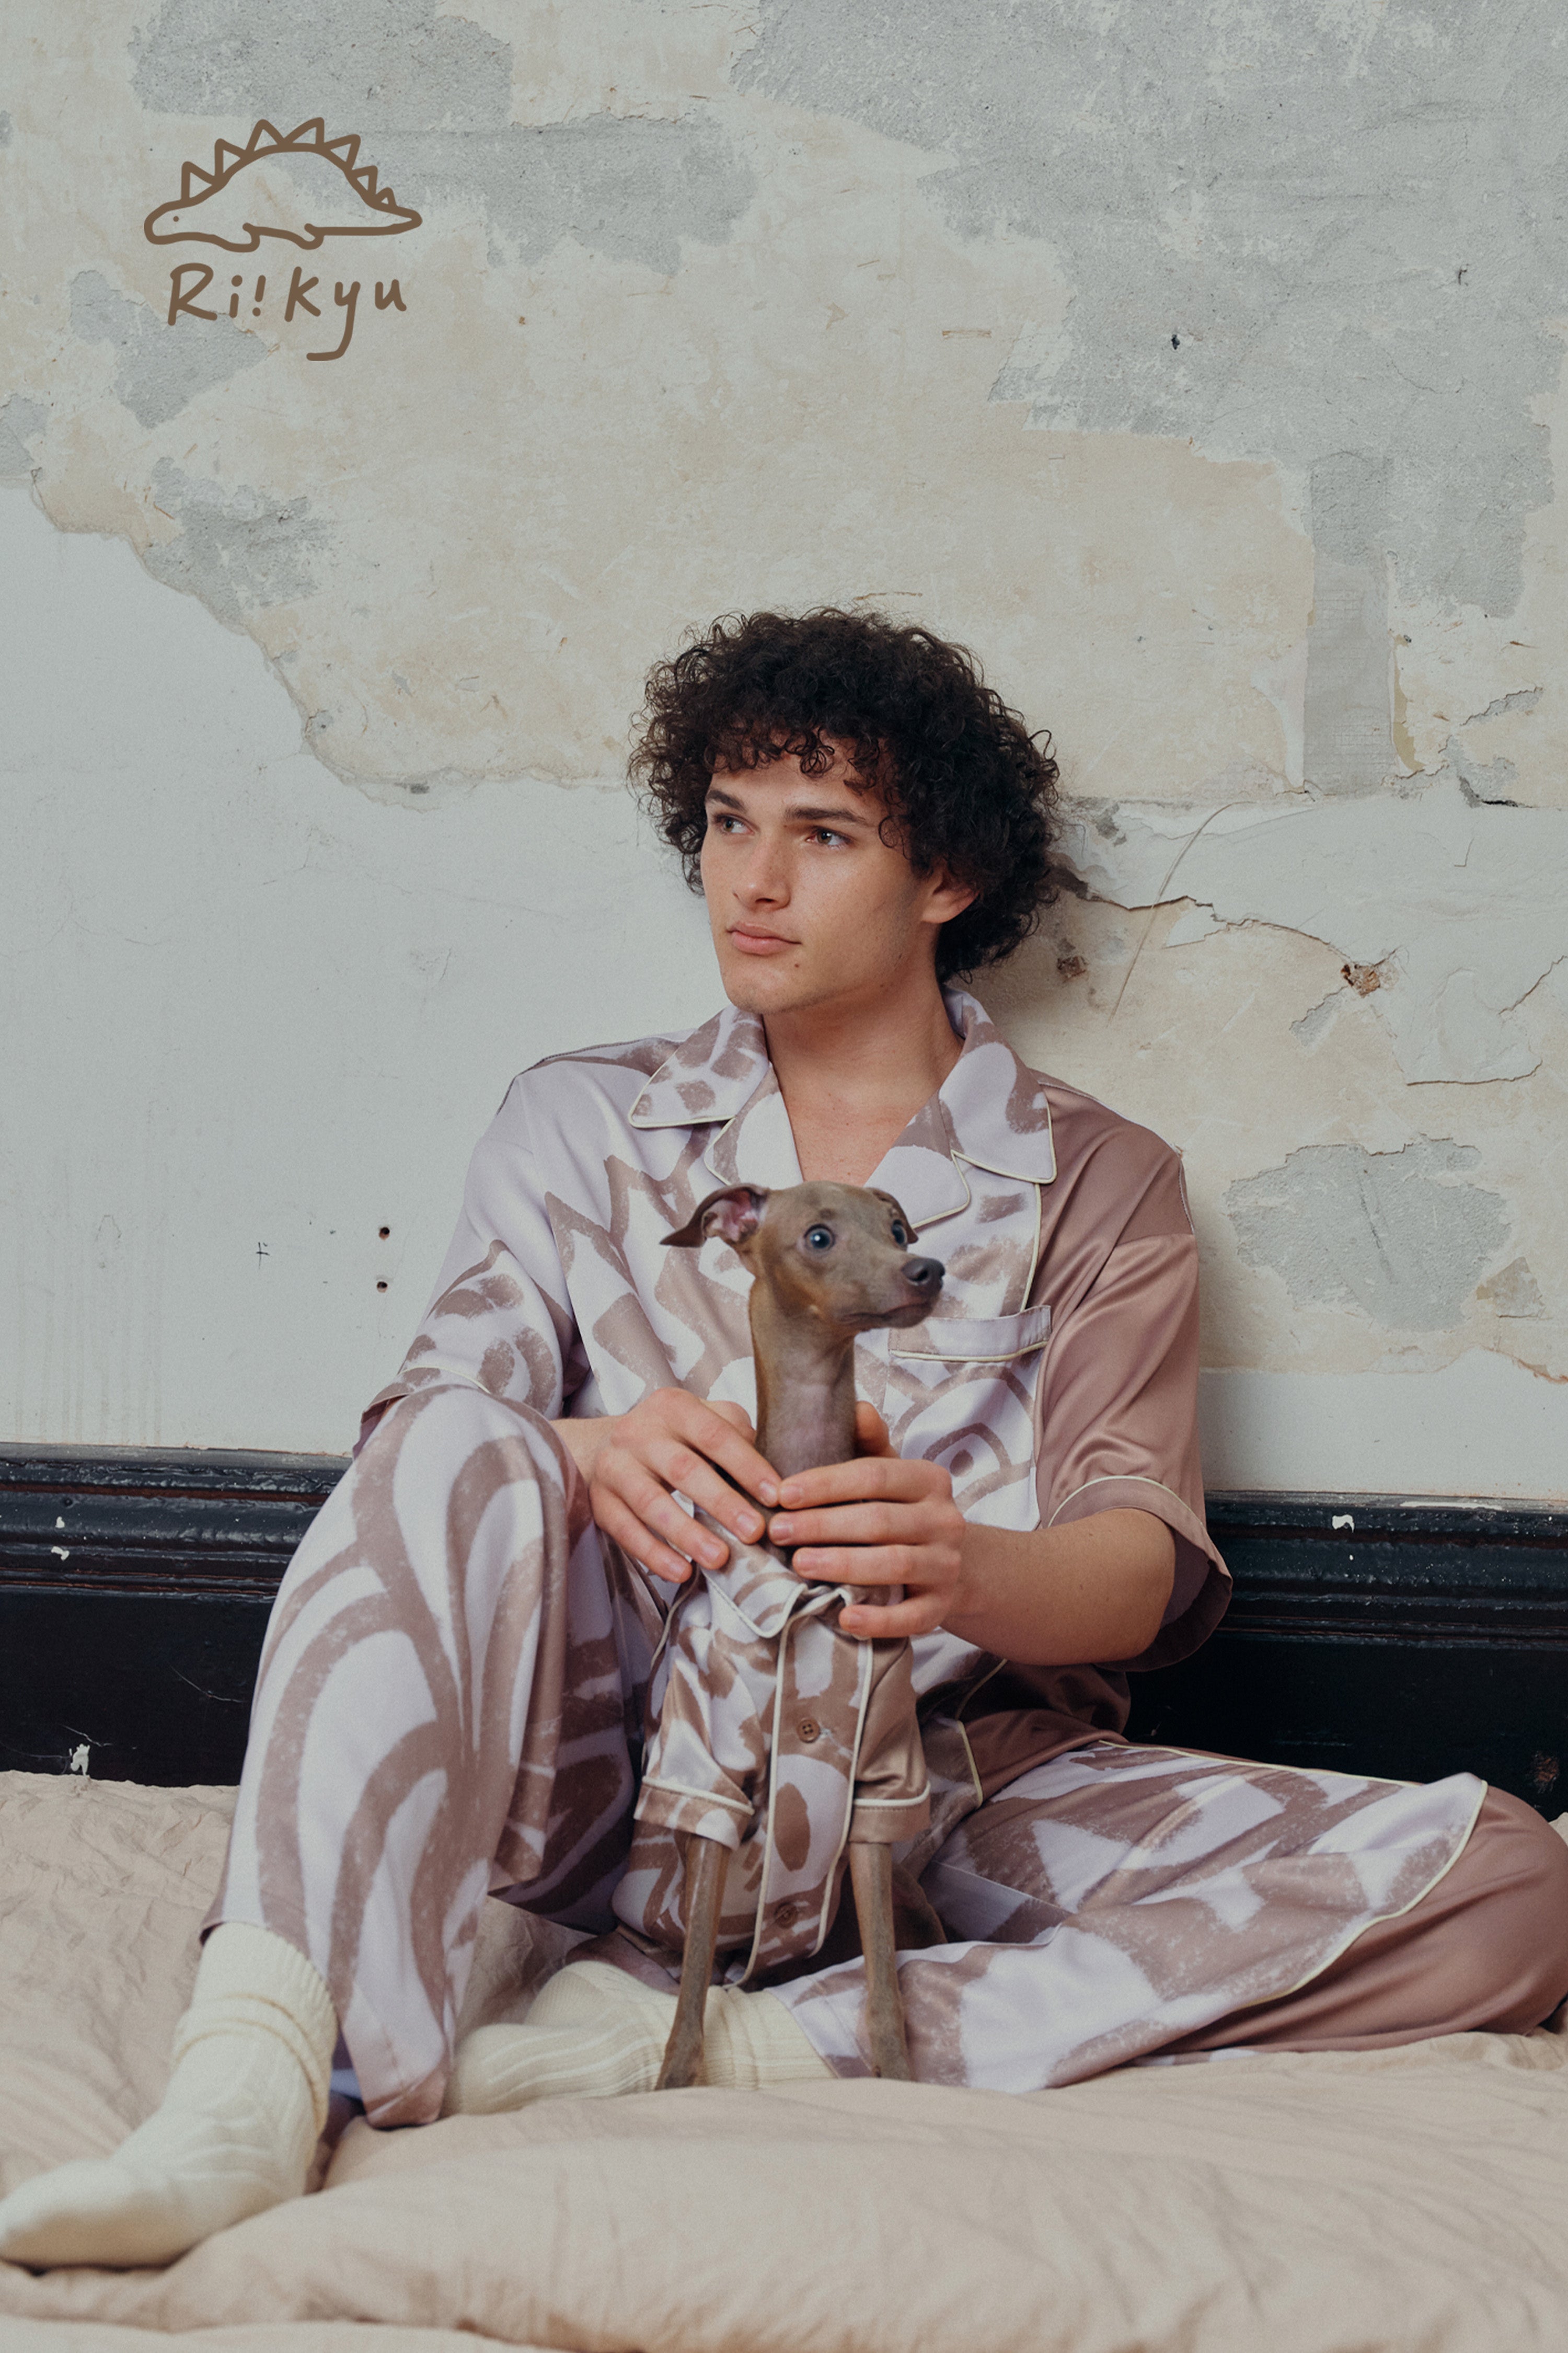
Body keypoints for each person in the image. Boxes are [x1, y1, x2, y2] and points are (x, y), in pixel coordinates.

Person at [4, 610, 1565, 2271]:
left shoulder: (1101, 1180)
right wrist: (585, 1456)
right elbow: (425, 1437)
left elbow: (1136, 1568)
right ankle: (245, 2079)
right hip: (613, 1791)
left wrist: (962, 1564)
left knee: (1511, 1890)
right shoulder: (580, 1122)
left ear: (945, 876)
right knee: (463, 1437)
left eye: (822, 836)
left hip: (948, 1796)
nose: (753, 880)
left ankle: (762, 2040)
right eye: (728, 823)